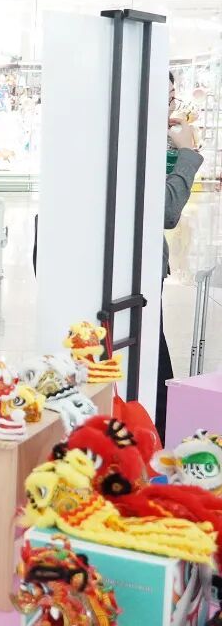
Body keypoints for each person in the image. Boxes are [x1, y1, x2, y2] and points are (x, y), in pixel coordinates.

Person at [157, 72, 204, 436]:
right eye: (167, 97)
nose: (171, 106)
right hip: (126, 277)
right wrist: (187, 154)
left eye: (173, 98)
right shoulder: (132, 140)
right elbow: (167, 210)